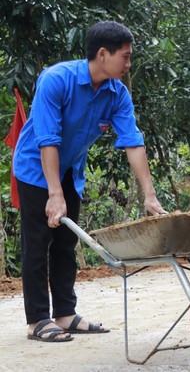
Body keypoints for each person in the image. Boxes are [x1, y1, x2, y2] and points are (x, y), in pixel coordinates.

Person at [13, 21, 167, 343]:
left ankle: (65, 314)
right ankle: (37, 319)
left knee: (66, 244)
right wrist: (54, 194)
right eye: (125, 57)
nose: (128, 64)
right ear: (103, 54)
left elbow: (133, 141)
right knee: (38, 242)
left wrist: (150, 195)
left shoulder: (117, 94)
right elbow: (48, 140)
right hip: (34, 166)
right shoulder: (57, 80)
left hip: (70, 170)